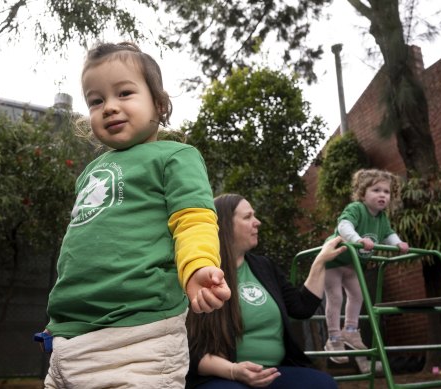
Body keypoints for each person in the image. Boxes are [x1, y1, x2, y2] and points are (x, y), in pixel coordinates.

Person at [39, 42, 231, 388]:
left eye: (124, 93)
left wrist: (199, 265)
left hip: (137, 338)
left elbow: (193, 219)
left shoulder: (174, 156)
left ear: (159, 103)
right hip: (68, 337)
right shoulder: (90, 171)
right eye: (96, 101)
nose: (109, 107)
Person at [186, 193, 345, 389]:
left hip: (271, 373)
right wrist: (234, 371)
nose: (257, 222)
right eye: (248, 217)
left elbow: (302, 307)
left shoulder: (264, 267)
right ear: (225, 225)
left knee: (323, 385)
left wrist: (320, 261)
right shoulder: (203, 275)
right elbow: (191, 351)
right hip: (224, 375)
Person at [323, 168, 409, 364]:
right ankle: (334, 339)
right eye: (376, 190)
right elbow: (344, 226)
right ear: (363, 194)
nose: (382, 195)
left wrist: (398, 243)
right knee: (335, 297)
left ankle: (351, 331)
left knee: (358, 295)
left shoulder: (381, 218)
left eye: (386, 192)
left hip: (353, 264)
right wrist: (358, 239)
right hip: (334, 259)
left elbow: (388, 234)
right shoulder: (356, 208)